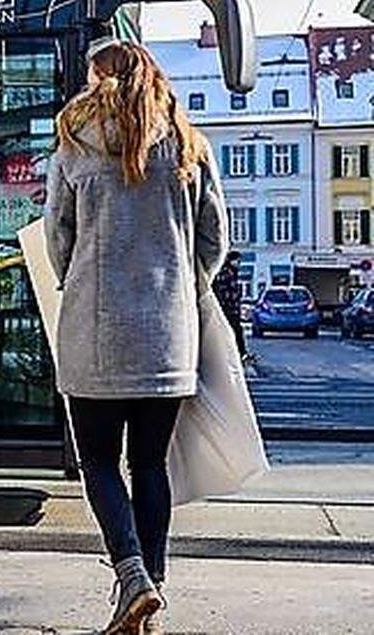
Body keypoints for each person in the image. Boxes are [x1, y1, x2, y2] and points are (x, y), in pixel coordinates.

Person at [44, 41, 228, 635]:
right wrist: (180, 288)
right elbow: (214, 242)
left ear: (99, 79)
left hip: (94, 335)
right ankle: (148, 600)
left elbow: (58, 237)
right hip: (168, 337)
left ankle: (133, 580)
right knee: (150, 464)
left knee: (97, 461)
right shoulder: (189, 145)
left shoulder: (74, 143)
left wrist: (78, 281)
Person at [212, 251, 248, 360]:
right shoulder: (227, 273)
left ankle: (238, 353)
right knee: (235, 331)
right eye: (237, 261)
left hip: (231, 308)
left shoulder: (230, 272)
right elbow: (225, 292)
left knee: (235, 331)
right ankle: (239, 353)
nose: (239, 263)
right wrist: (229, 304)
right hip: (229, 309)